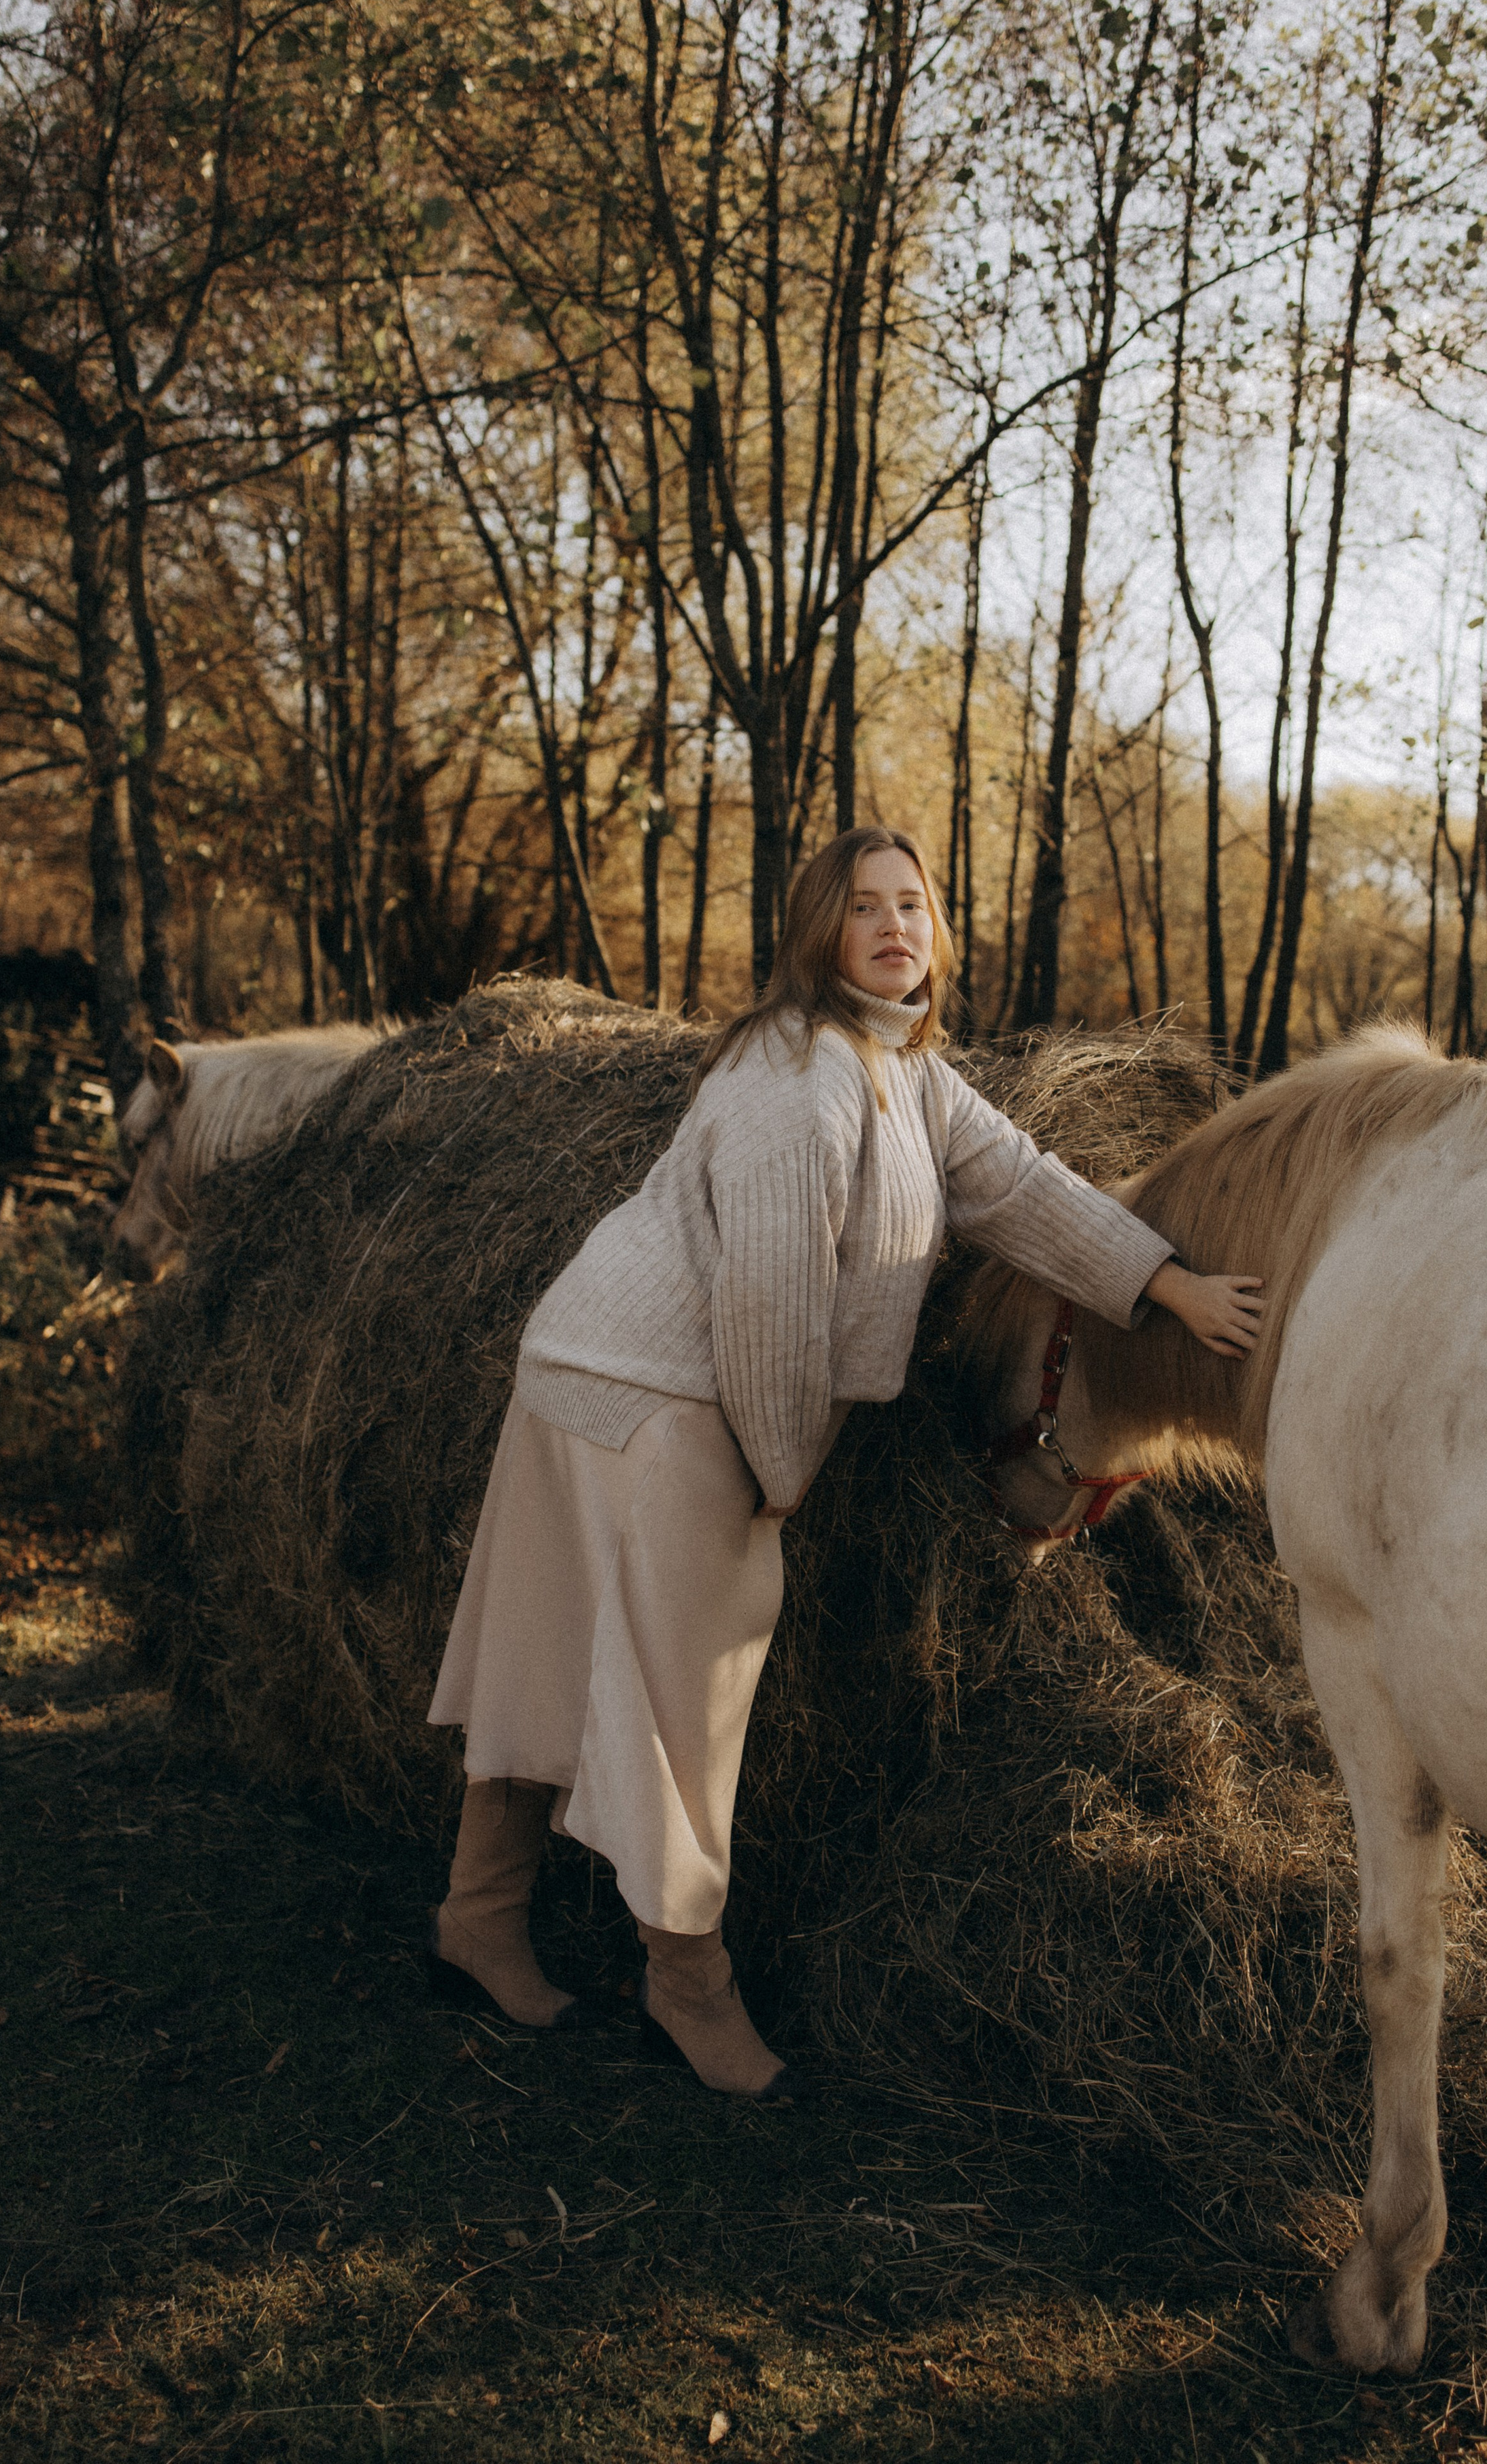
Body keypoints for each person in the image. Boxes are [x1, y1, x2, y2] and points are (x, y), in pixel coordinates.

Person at [426, 826, 1262, 2098]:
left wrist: (1166, 1283)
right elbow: (770, 1308)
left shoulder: (903, 1068)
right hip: (656, 1394)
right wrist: (782, 1471)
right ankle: (684, 1987)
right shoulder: (799, 1080)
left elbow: (1025, 1187)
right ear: (818, 930)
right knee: (690, 1701)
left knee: (547, 1647)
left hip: (586, 1362)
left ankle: (479, 1916)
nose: (893, 926)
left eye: (913, 905)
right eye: (863, 906)